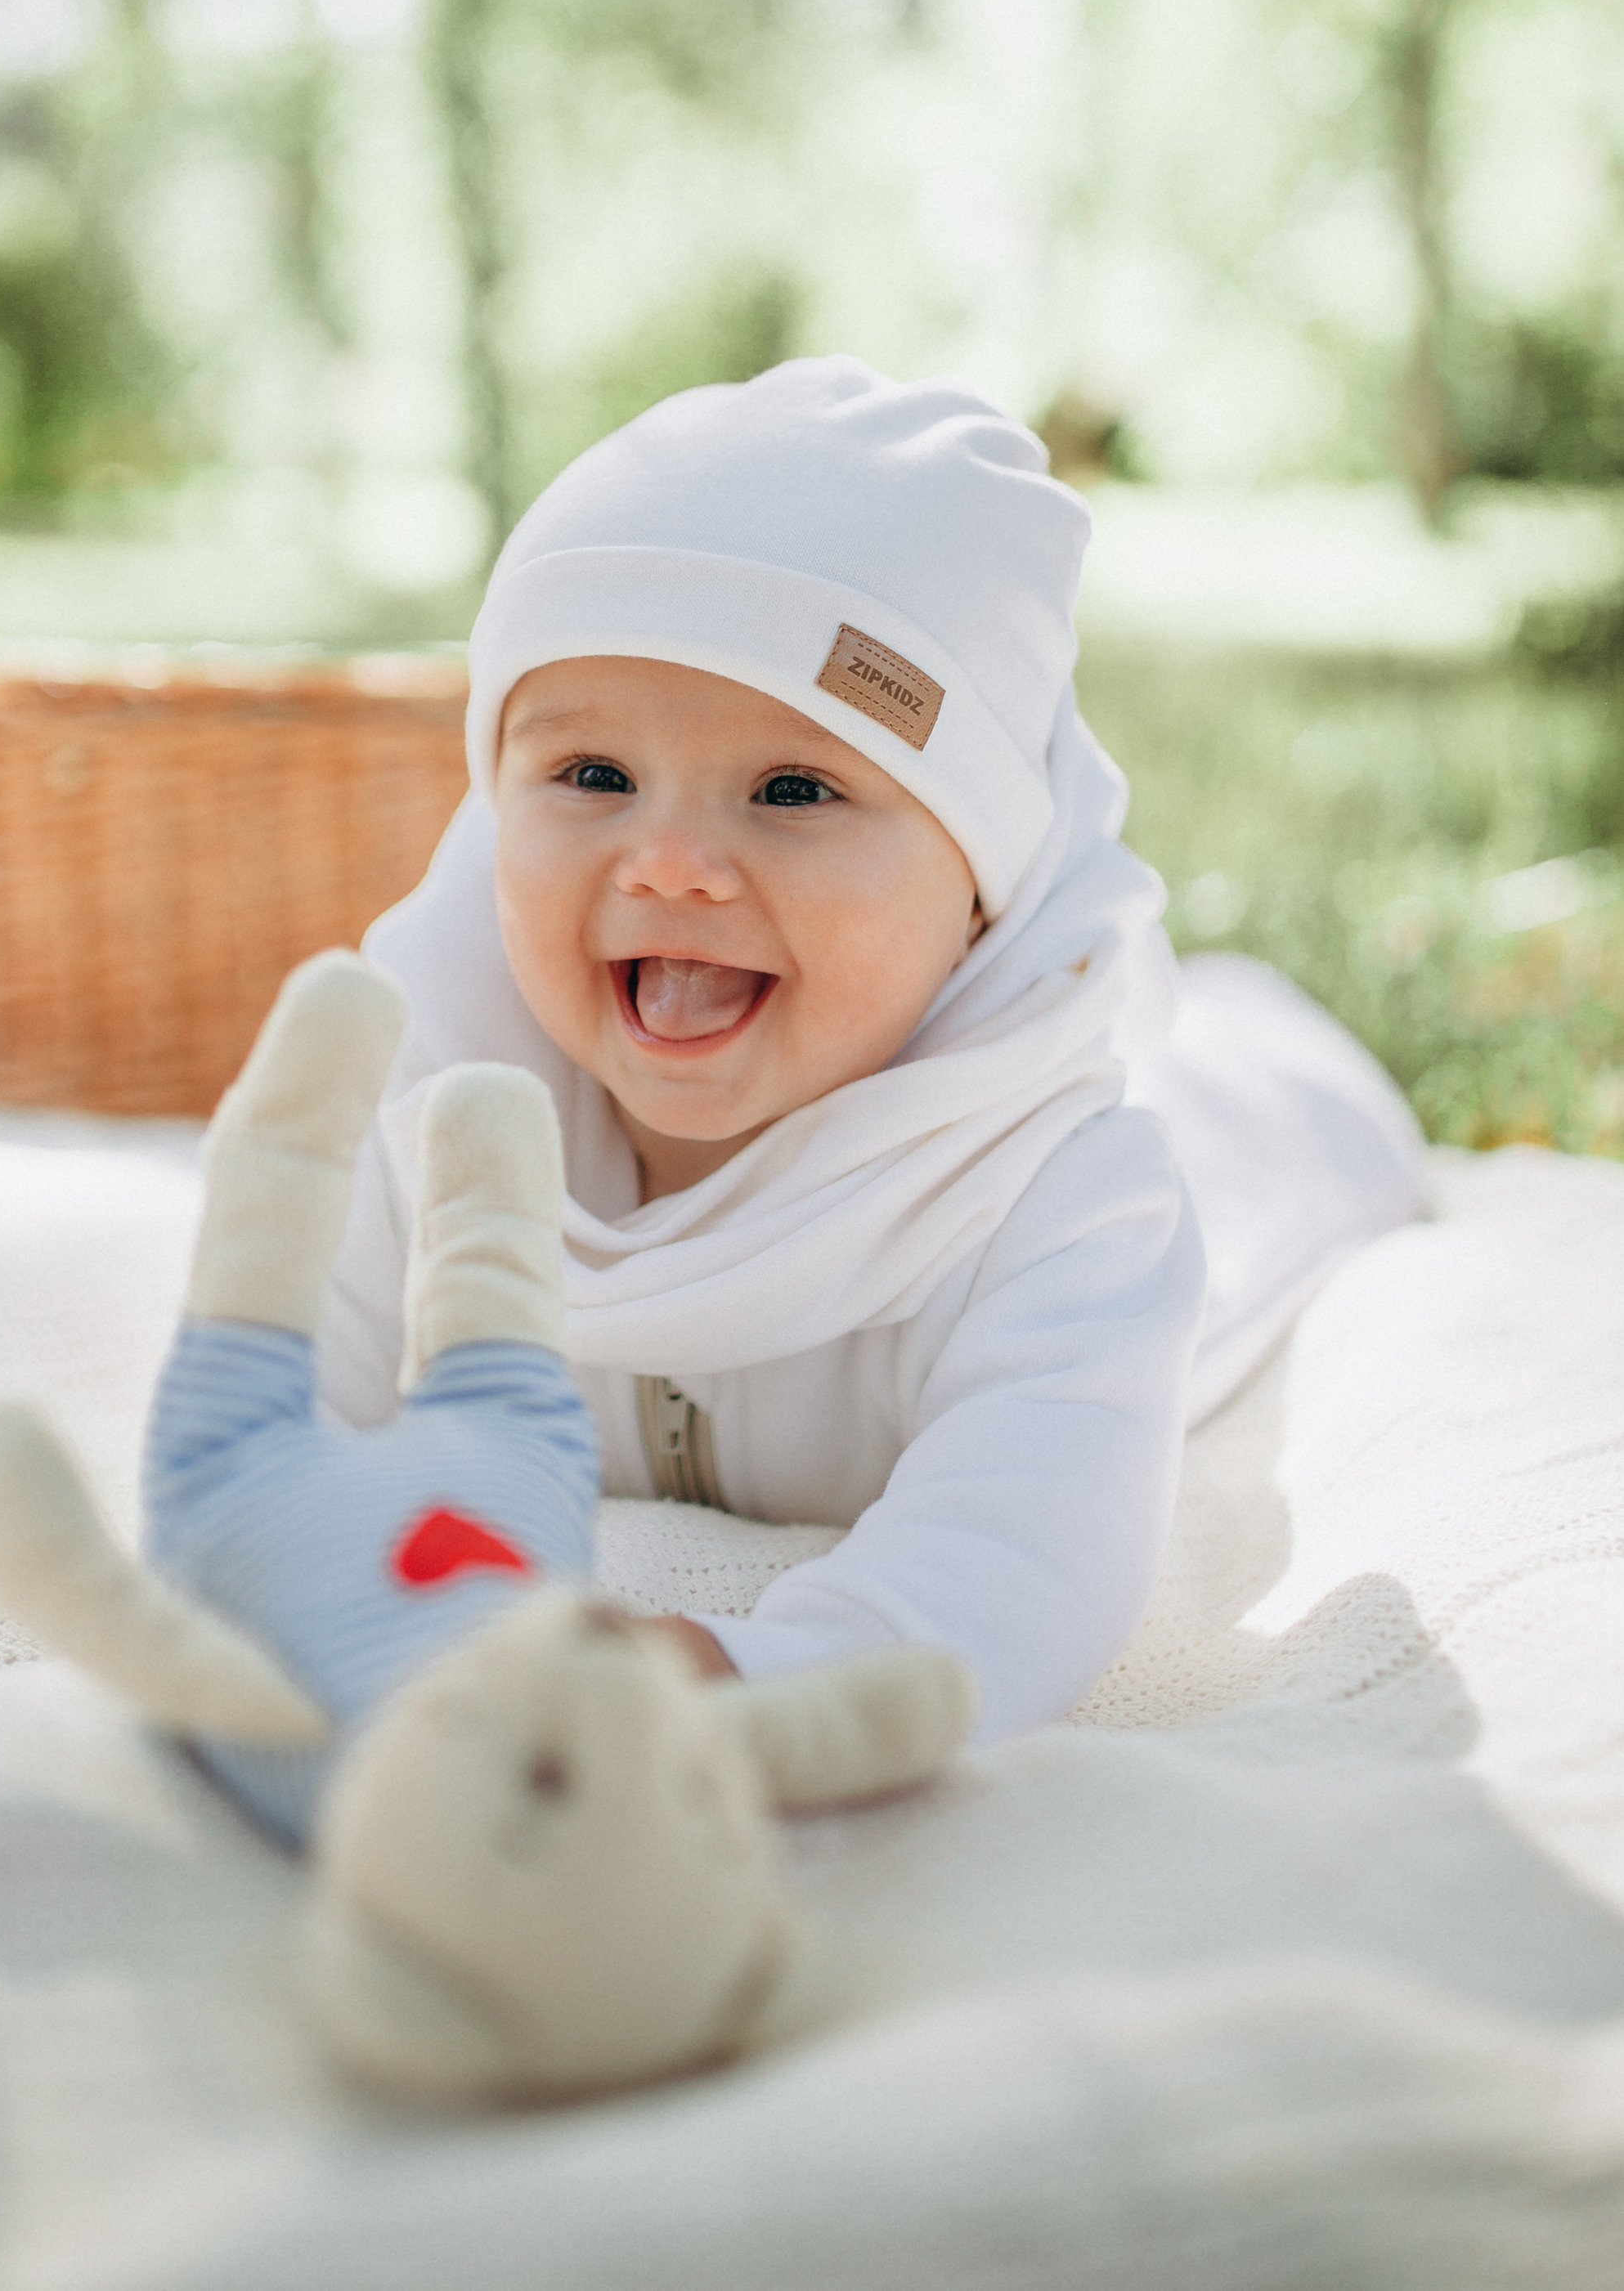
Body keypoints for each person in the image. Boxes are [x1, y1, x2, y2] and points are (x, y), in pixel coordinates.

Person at [316, 359, 1425, 1731]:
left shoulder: (1059, 1201)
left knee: (1255, 1078)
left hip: (1256, 1127)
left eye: (793, 788)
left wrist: (754, 1680)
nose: (669, 864)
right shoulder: (434, 1113)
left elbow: (1018, 1570)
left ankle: (1268, 1030)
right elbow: (297, 1419)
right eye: (591, 775)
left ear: (976, 888)